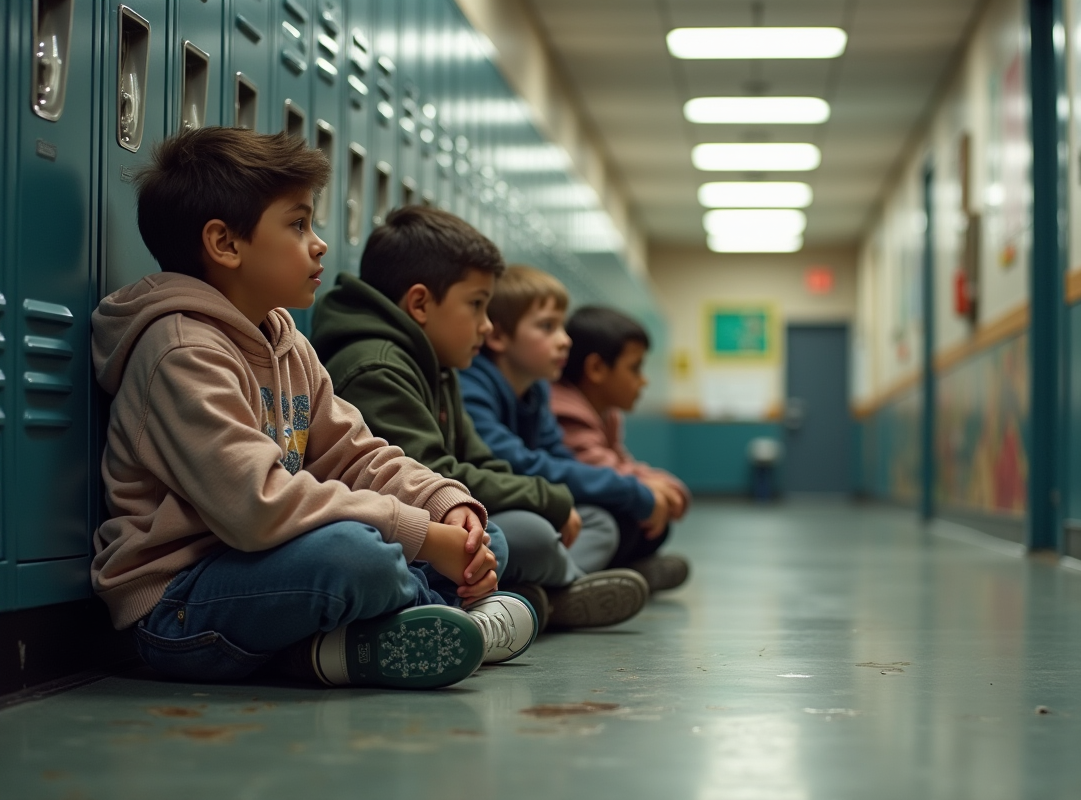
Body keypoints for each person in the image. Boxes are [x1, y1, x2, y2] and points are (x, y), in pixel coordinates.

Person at [90, 127, 535, 692]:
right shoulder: (181, 352)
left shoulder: (285, 342)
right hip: (183, 604)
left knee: (483, 536)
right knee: (357, 557)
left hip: (270, 569)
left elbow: (357, 456)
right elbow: (257, 505)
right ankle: (444, 622)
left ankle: (350, 647)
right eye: (298, 224)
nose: (319, 244)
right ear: (225, 243)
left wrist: (444, 506)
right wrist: (420, 536)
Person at [310, 206, 648, 631]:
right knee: (517, 536)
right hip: (400, 526)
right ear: (420, 303)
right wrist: (546, 498)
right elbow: (433, 473)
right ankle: (543, 599)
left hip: (448, 514)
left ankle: (536, 597)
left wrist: (548, 497)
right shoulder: (377, 367)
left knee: (560, 526)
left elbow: (481, 459)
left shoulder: (439, 364)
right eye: (476, 305)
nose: (486, 326)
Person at [458, 266, 678, 590]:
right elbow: (517, 463)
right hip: (490, 505)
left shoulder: (537, 391)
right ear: (498, 336)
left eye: (562, 326)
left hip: (531, 498)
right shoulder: (471, 386)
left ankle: (570, 585)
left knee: (617, 523)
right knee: (540, 534)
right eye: (547, 327)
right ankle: (570, 589)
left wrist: (632, 493)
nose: (565, 340)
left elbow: (558, 457)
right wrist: (632, 491)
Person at [551, 306, 690, 591]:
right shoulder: (565, 409)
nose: (644, 380)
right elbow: (598, 467)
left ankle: (626, 576)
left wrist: (661, 484)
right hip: (569, 512)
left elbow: (620, 462)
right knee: (626, 522)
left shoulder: (607, 414)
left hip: (591, 500)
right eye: (635, 368)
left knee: (652, 525)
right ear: (596, 369)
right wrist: (652, 488)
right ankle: (595, 583)